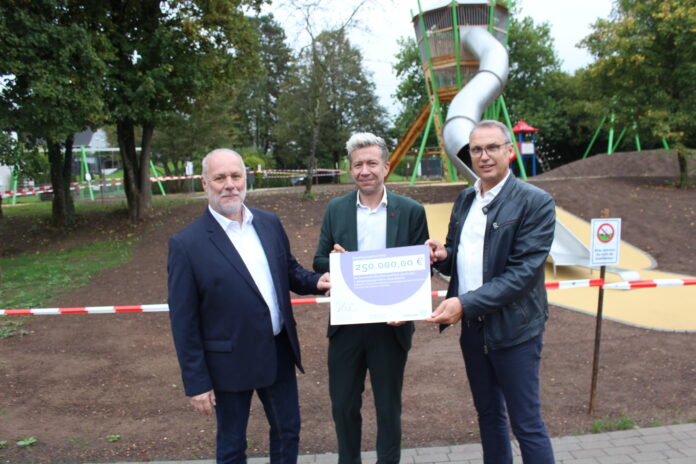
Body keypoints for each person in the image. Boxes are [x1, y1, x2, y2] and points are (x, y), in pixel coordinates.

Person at [167, 148, 331, 464]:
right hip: (227, 363)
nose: (229, 184)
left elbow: (290, 271)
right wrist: (197, 382)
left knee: (288, 432)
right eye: (220, 178)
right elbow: (183, 322)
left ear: (245, 179)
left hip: (277, 351)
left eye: (236, 176)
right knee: (232, 446)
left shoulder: (268, 223)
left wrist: (317, 282)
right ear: (204, 183)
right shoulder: (186, 245)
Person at [425, 120, 556, 463]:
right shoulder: (466, 198)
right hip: (472, 329)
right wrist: (443, 256)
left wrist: (463, 305)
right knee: (488, 417)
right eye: (477, 149)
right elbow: (461, 254)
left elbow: (522, 275)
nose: (484, 156)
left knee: (526, 424)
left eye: (492, 147)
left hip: (515, 330)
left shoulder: (536, 202)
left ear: (509, 151)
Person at [313, 132, 429, 464]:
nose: (365, 170)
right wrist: (336, 260)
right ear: (351, 169)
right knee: (344, 405)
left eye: (371, 163)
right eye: (358, 164)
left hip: (391, 326)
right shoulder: (336, 210)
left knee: (388, 406)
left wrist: (409, 309)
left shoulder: (410, 211)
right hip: (347, 325)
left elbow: (421, 265)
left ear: (386, 167)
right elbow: (319, 261)